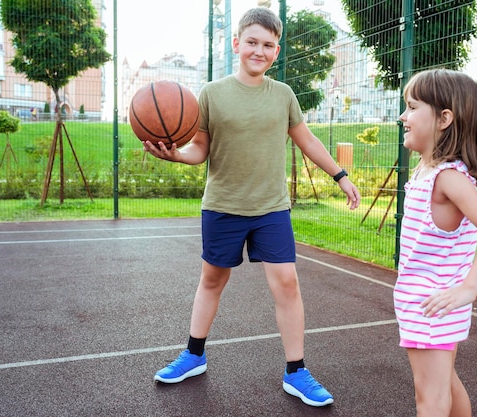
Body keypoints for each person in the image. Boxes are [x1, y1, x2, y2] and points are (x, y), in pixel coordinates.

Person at [143, 7, 360, 408]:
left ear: (277, 51)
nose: (259, 50)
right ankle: (193, 355)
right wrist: (174, 156)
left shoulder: (283, 95)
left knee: (288, 285)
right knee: (212, 281)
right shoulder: (211, 93)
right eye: (253, 42)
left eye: (268, 45)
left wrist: (340, 175)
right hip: (223, 206)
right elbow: (199, 151)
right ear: (236, 43)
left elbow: (307, 141)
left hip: (271, 209)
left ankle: (297, 371)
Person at [395, 68, 477, 417]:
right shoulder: (427, 170)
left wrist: (468, 288)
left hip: (432, 304)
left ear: (444, 118)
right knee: (445, 385)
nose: (403, 115)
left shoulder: (447, 177)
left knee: (430, 398)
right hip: (428, 302)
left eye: (413, 107)